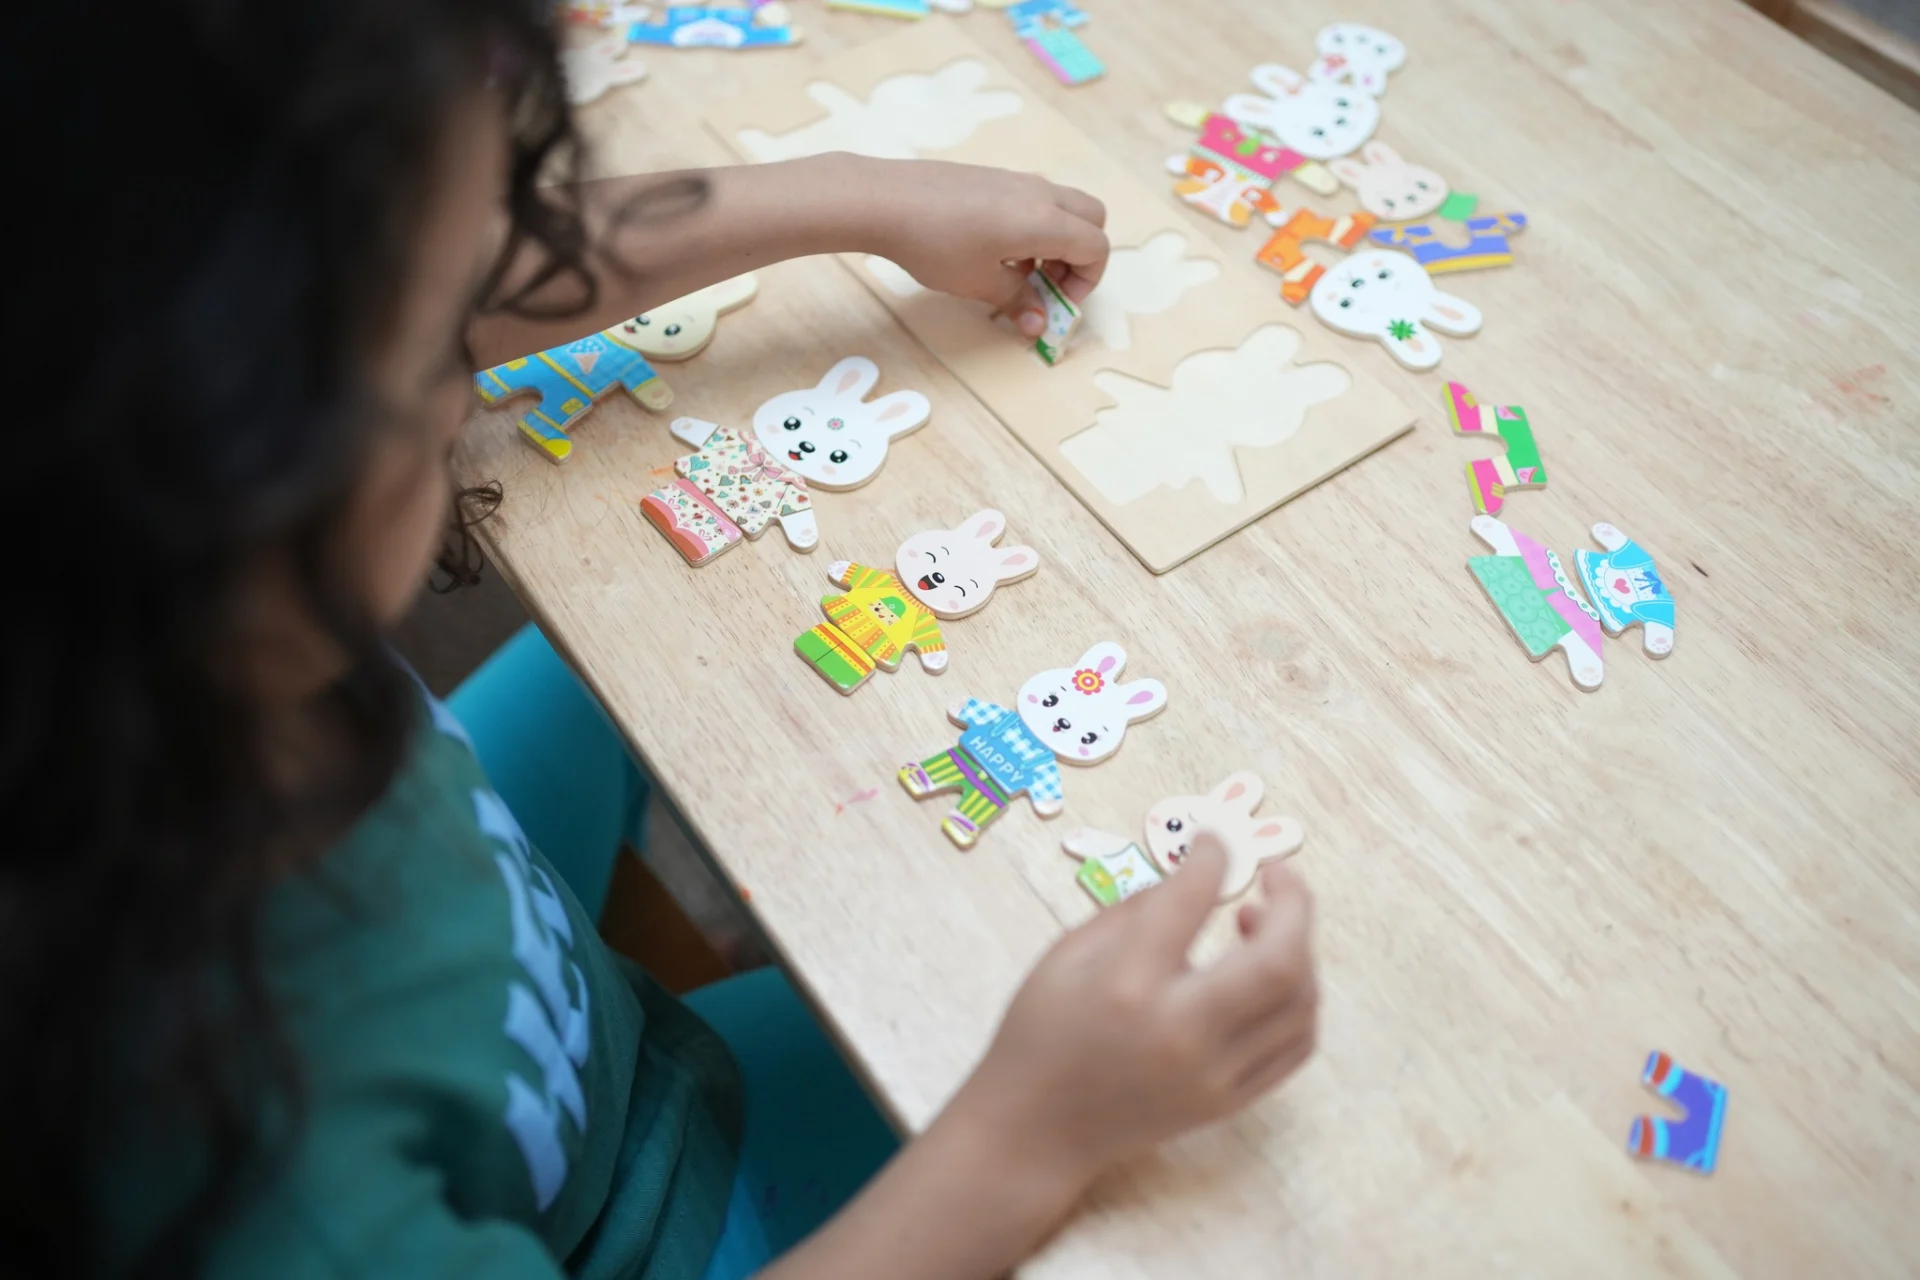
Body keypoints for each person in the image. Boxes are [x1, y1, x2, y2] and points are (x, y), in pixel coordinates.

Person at [0, 3, 1319, 1277]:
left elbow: (423, 276)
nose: (477, 359)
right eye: (437, 372)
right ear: (244, 489)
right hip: (660, 1225)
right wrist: (1028, 1140)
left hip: (526, 965)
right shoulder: (273, 1193)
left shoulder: (128, 613)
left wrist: (856, 194)